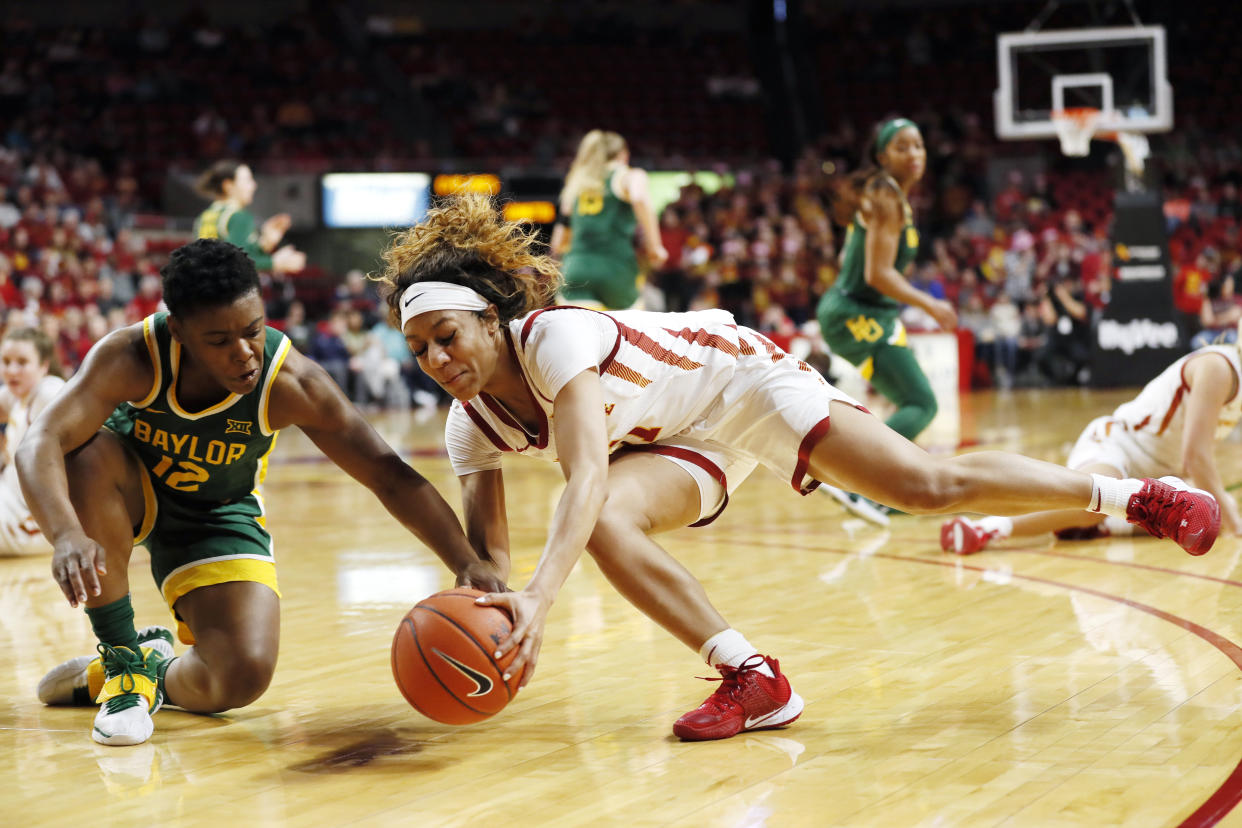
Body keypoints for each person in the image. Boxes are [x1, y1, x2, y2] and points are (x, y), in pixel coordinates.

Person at [377, 194, 1220, 742]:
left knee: (921, 486)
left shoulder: (552, 339)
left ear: (491, 320)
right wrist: (486, 617)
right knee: (600, 523)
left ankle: (1138, 492)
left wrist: (540, 599)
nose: (436, 359)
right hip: (677, 438)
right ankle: (752, 679)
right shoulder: (467, 428)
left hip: (741, 379)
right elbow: (487, 559)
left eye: (446, 337)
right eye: (419, 350)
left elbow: (587, 471)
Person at [22, 238, 502, 747]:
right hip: (126, 492)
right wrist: (66, 533)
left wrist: (465, 559)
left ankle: (151, 668)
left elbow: (387, 472)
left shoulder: (290, 381)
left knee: (242, 674)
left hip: (217, 511)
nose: (244, 352)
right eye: (220, 340)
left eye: (253, 330)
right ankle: (120, 664)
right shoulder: (131, 356)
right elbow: (42, 440)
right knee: (84, 451)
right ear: (179, 332)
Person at [941, 330, 1242, 553]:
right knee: (1092, 503)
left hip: (1160, 474)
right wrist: (1234, 524)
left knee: (1200, 513)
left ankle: (1101, 524)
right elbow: (1196, 457)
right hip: (1117, 445)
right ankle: (985, 528)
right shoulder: (1218, 368)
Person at [815, 118, 957, 525]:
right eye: (902, 147)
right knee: (921, 403)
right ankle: (859, 484)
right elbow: (878, 274)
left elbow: (851, 258)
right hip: (857, 312)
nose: (914, 154)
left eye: (919, 146)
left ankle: (873, 488)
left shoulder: (884, 195)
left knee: (912, 402)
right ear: (882, 157)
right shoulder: (887, 196)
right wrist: (930, 304)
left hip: (863, 310)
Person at [550, 130, 667, 310]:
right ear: (622, 154)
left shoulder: (576, 184)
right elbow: (639, 197)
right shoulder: (627, 175)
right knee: (626, 335)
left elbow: (557, 244)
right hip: (616, 268)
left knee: (583, 336)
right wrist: (655, 247)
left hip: (575, 271)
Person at [0, 328, 65, 556]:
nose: (11, 370)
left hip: (30, 521)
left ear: (44, 365)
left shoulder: (50, 391)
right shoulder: (16, 395)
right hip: (7, 500)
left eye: (22, 362)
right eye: (6, 362)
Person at [193, 160, 306, 276]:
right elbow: (236, 263)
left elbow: (223, 259)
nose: (253, 185)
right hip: (227, 291)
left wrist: (264, 243)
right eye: (248, 181)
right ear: (229, 186)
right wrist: (276, 263)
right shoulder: (239, 217)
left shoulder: (203, 217)